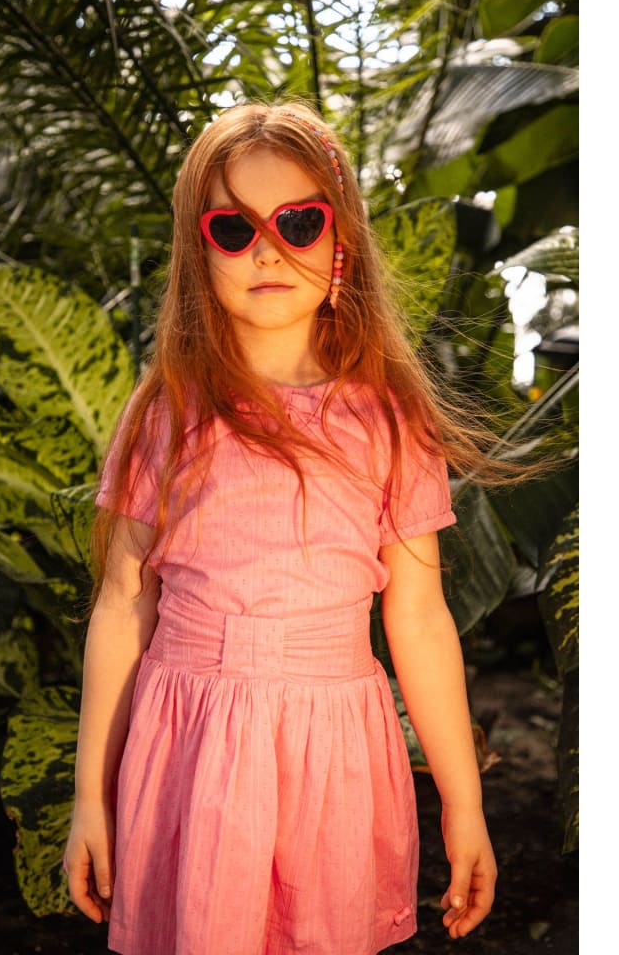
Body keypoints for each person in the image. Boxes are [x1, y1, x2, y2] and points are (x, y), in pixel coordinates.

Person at [64, 100, 501, 955]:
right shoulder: (166, 413)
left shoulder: (390, 418)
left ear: (341, 244)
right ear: (199, 255)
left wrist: (464, 801)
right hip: (188, 744)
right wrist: (90, 795)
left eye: (298, 221)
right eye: (233, 229)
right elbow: (122, 604)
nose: (268, 249)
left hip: (333, 750)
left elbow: (417, 616)